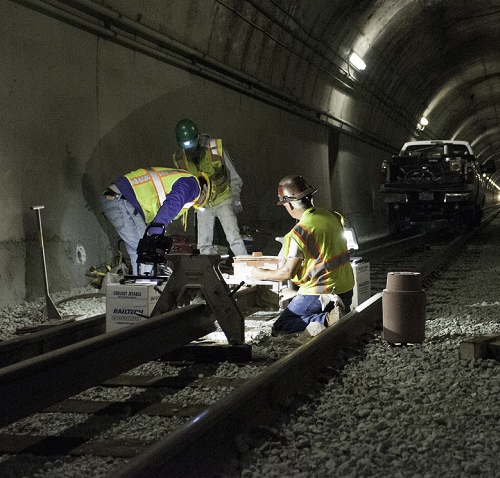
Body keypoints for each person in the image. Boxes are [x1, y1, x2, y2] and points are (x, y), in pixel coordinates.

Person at [250, 175, 355, 335]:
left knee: (282, 325)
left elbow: (287, 273)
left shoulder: (299, 233)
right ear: (310, 197)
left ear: (290, 205)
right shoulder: (333, 216)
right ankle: (335, 313)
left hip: (321, 294)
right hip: (346, 291)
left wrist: (260, 274)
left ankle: (325, 319)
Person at [101, 167, 210, 275]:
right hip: (123, 200)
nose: (202, 203)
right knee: (147, 250)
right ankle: (146, 287)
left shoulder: (183, 178)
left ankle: (140, 287)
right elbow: (171, 205)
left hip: (118, 199)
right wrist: (156, 234)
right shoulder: (192, 185)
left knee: (139, 251)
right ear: (204, 191)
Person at [172, 119, 247, 257]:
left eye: (191, 144)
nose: (189, 149)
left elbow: (233, 175)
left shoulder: (215, 149)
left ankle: (246, 268)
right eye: (185, 146)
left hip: (223, 199)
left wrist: (236, 196)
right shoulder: (181, 159)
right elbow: (185, 185)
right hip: (203, 205)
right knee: (203, 244)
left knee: (234, 237)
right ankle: (206, 272)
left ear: (198, 137)